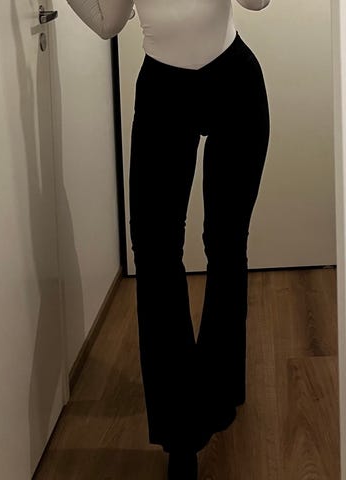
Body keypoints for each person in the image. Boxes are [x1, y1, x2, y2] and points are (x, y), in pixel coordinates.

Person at [65, 0, 271, 478]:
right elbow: (108, 23)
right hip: (163, 92)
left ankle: (219, 391)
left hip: (235, 82)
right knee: (156, 257)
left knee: (226, 244)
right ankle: (181, 434)